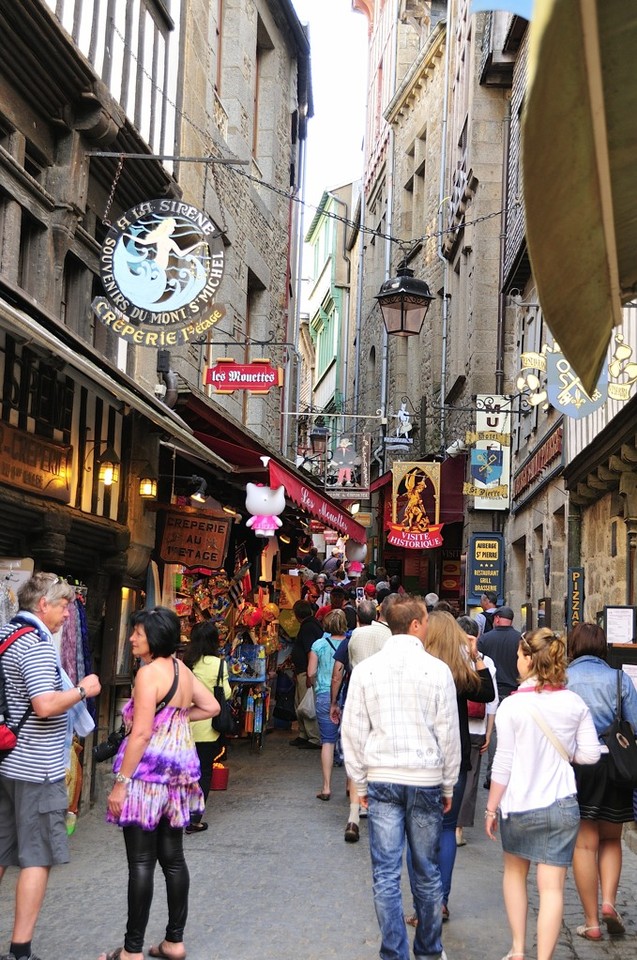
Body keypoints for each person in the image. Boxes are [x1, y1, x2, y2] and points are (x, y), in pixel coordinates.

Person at [341, 595, 460, 960]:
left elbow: (354, 731)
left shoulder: (366, 671)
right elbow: (448, 733)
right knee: (426, 872)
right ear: (415, 625)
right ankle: (427, 950)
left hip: (382, 780)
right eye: (424, 621)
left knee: (386, 874)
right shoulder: (437, 670)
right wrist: (448, 783)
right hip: (425, 778)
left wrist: (358, 783)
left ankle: (394, 952)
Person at [98, 606, 218, 960]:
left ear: (155, 637)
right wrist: (177, 717)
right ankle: (174, 941)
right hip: (178, 777)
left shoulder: (148, 675)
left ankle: (132, 950)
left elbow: (141, 734)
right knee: (174, 859)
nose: (133, 638)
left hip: (146, 778)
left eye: (138, 632)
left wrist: (121, 783)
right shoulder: (182, 669)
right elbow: (210, 706)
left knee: (141, 863)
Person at [0, 573, 101, 960]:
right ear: (43, 604)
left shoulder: (6, 635)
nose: (65, 615)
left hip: (8, 762)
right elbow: (43, 706)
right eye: (63, 606)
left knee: (2, 850)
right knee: (37, 856)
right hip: (36, 766)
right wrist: (82, 690)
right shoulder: (38, 646)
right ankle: (21, 949)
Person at [485, 627, 600, 960]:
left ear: (528, 660)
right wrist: (567, 752)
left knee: (515, 874)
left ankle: (519, 949)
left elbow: (503, 764)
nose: (516, 662)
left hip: (519, 803)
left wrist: (491, 809)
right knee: (552, 889)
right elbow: (591, 755)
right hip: (560, 802)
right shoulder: (573, 702)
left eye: (520, 656)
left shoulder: (512, 706)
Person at [405, 610, 494, 925]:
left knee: (416, 833)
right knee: (445, 830)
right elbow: (488, 692)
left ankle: (422, 904)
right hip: (453, 761)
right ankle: (440, 901)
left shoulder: (416, 670)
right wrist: (475, 655)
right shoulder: (458, 674)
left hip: (419, 760)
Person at [566, 622, 637, 941]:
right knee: (612, 838)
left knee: (584, 842)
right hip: (615, 763)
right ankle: (609, 902)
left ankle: (592, 921)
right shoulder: (620, 679)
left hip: (578, 764)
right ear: (603, 647)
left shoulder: (564, 678)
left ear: (573, 647)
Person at [331, 599, 391, 843]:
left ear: (357, 618)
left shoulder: (353, 636)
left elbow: (338, 671)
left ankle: (355, 814)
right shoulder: (388, 635)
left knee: (357, 754)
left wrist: (333, 702)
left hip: (358, 696)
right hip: (382, 700)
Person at [182, 621, 232, 833]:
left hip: (184, 726)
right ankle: (195, 820)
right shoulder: (219, 664)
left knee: (183, 772)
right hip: (208, 728)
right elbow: (227, 693)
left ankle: (178, 814)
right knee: (203, 772)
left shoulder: (186, 662)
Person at [455, 616, 497, 847]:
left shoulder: (448, 660)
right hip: (477, 729)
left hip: (457, 727)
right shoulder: (485, 662)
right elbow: (492, 701)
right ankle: (458, 828)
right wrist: (489, 732)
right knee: (469, 782)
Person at [307, 610, 348, 801]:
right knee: (350, 742)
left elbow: (310, 672)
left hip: (324, 695)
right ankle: (350, 785)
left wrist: (316, 681)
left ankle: (326, 787)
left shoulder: (318, 645)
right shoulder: (350, 644)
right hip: (347, 695)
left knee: (328, 741)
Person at [479, 605, 522, 787]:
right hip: (515, 691)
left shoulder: (486, 639)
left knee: (495, 734)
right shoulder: (519, 639)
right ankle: (513, 774)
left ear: (496, 619)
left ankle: (493, 775)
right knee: (516, 734)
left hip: (494, 691)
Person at [289, 601, 322, 750]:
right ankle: (304, 734)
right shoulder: (310, 625)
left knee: (306, 706)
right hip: (302, 671)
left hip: (306, 672)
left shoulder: (308, 627)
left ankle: (313, 737)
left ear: (297, 614)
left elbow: (311, 651)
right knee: (300, 704)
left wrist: (310, 674)